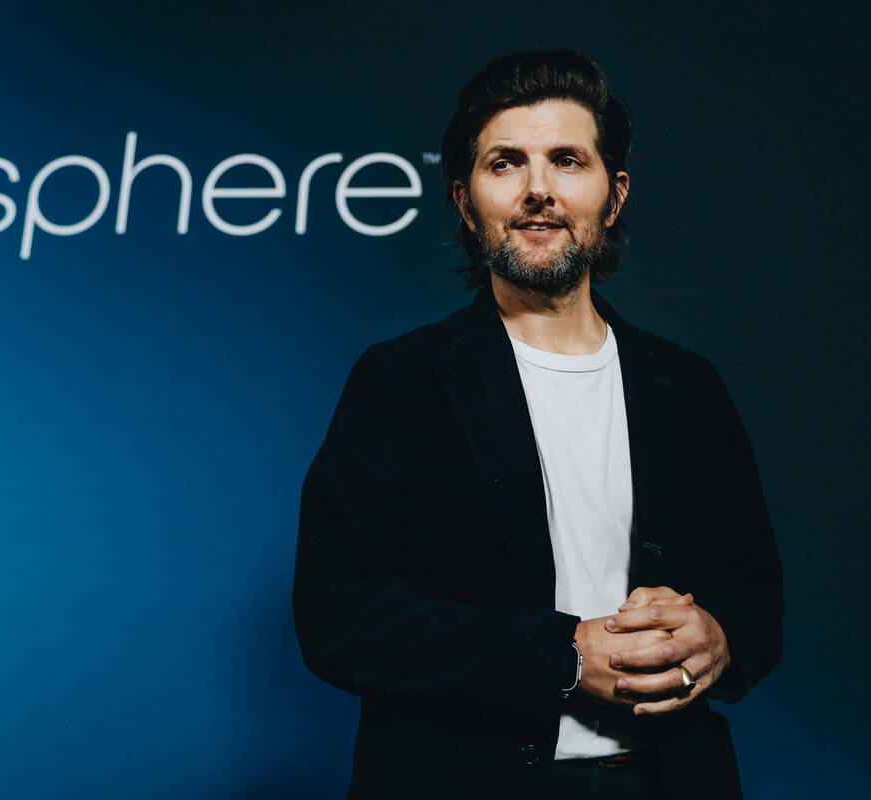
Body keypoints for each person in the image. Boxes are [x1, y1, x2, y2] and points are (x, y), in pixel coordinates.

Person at [291, 49, 782, 800]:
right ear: (465, 201)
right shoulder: (400, 381)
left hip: (668, 780)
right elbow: (340, 616)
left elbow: (756, 596)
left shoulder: (688, 387)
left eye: (567, 160)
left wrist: (720, 638)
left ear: (614, 195)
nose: (539, 189)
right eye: (506, 163)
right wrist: (563, 656)